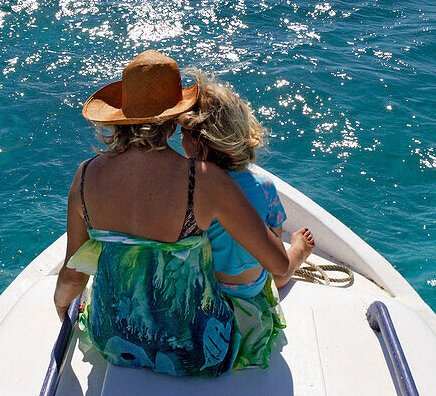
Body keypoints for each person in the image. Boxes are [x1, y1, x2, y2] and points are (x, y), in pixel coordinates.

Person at [52, 50, 304, 378]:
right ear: (174, 121)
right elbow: (279, 265)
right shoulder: (202, 179)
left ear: (119, 119)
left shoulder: (84, 176)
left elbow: (72, 275)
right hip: (194, 352)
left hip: (111, 340)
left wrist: (62, 310)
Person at [176, 70, 314, 369]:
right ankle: (298, 251)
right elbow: (272, 241)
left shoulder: (192, 188)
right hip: (250, 290)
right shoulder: (264, 187)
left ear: (198, 145)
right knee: (275, 271)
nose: (179, 140)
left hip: (207, 293)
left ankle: (296, 255)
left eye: (182, 133)